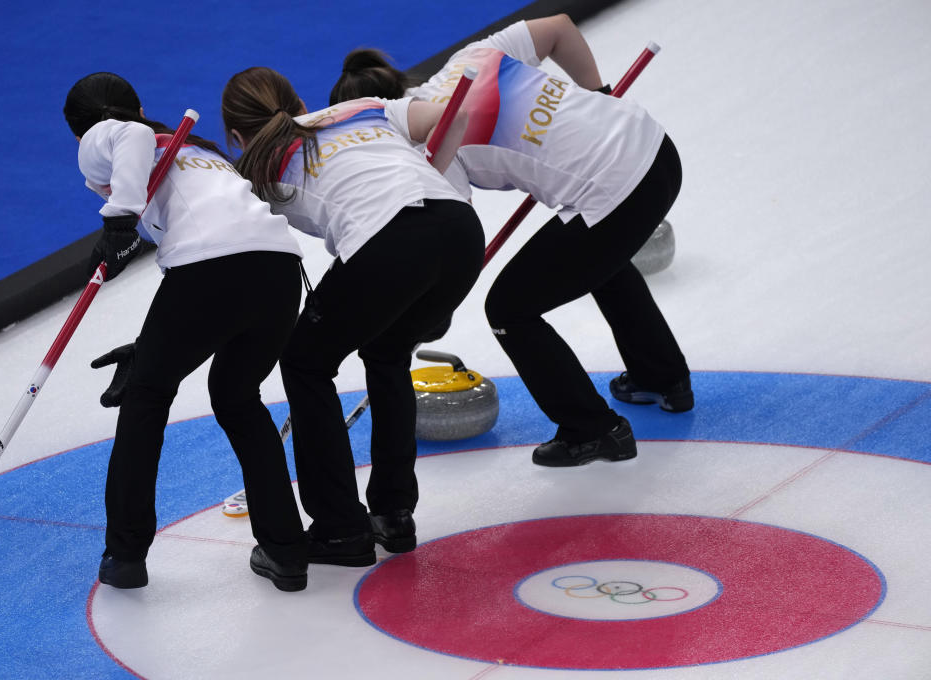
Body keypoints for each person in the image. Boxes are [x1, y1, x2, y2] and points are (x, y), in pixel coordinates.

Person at [329, 14, 693, 468]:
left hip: (617, 191)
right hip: (654, 146)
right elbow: (560, 27)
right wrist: (599, 97)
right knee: (597, 254)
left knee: (508, 308)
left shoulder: (422, 148)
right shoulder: (470, 58)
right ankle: (661, 378)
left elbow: (445, 243)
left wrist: (424, 312)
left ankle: (592, 429)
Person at [221, 67, 484, 565]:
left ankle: (341, 527)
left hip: (390, 242)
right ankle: (393, 512)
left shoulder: (255, 167)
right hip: (461, 229)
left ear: (236, 135)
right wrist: (429, 174)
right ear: (299, 99)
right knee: (386, 351)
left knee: (305, 362)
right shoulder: (360, 107)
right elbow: (457, 115)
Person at [64, 72, 309, 592]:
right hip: (279, 272)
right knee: (238, 398)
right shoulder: (202, 151)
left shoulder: (107, 136)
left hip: (210, 270)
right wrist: (151, 346)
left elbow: (125, 136)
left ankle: (126, 555)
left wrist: (118, 220)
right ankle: (286, 550)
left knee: (147, 396)